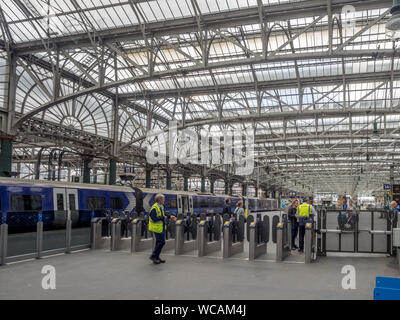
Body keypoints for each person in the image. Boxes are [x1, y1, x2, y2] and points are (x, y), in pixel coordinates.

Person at [148, 194, 176, 265]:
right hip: (156, 228)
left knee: (159, 242)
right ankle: (154, 256)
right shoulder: (154, 208)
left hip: (161, 227)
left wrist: (170, 216)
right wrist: (162, 218)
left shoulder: (160, 206)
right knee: (161, 242)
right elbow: (153, 218)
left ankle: (156, 257)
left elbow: (164, 214)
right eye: (163, 199)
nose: (164, 200)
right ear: (160, 200)